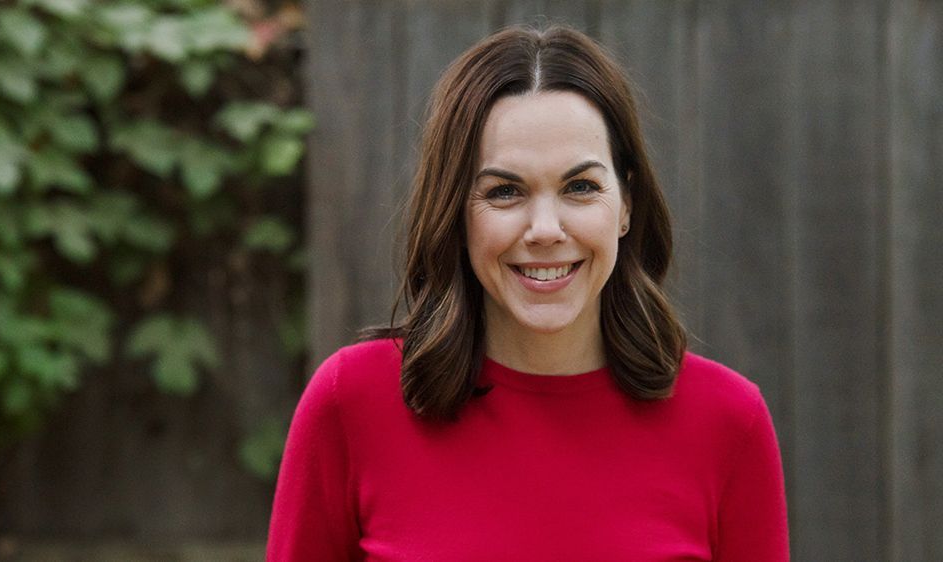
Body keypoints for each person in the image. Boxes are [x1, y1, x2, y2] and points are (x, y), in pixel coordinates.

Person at [267, 25, 789, 561]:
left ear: (627, 204)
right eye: (505, 191)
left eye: (580, 187)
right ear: (456, 211)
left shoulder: (729, 420)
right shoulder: (350, 404)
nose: (545, 228)